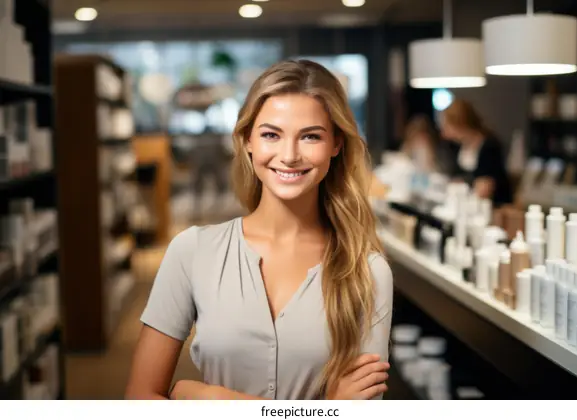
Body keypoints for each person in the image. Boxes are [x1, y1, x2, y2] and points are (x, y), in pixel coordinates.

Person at [125, 60, 394, 400]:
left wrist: (214, 400)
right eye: (271, 134)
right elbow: (139, 399)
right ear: (248, 139)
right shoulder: (191, 251)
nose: (290, 155)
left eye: (310, 136)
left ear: (336, 145)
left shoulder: (368, 273)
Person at [439, 98, 513, 206]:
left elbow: (485, 187)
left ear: (460, 123)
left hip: (493, 206)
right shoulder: (457, 147)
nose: (445, 132)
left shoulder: (489, 146)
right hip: (467, 204)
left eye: (448, 126)